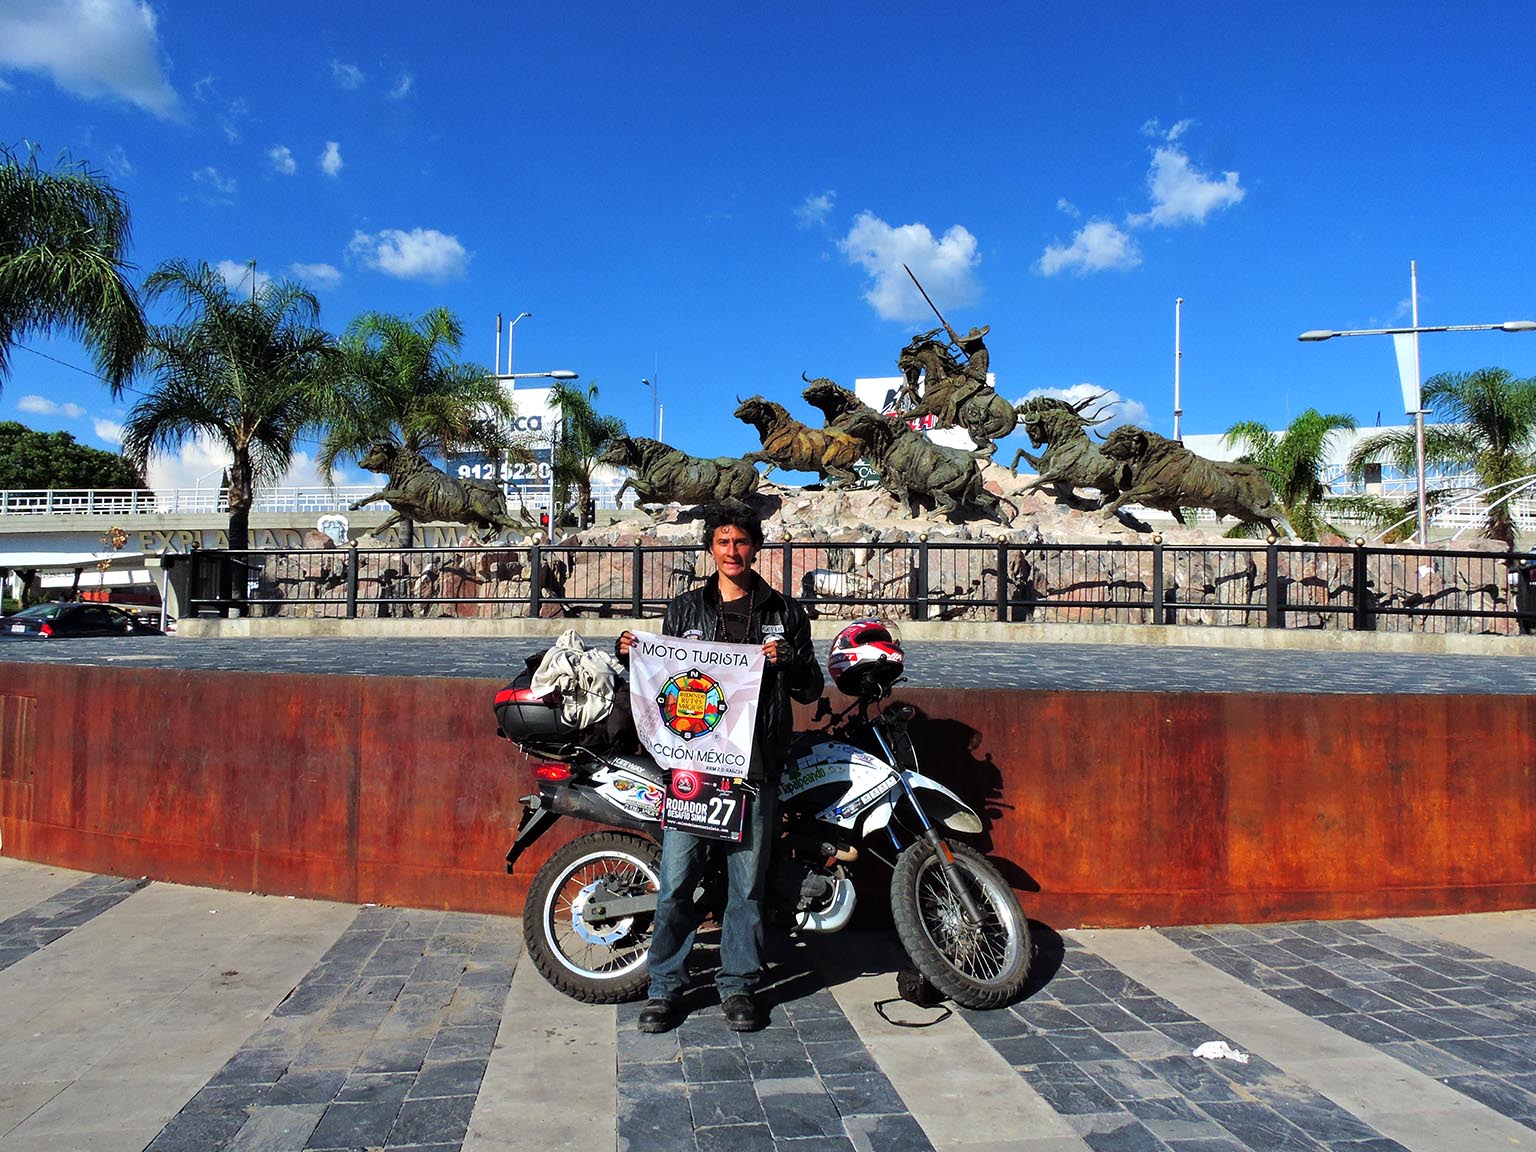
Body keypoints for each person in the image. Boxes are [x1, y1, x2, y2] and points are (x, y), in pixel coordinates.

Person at [616, 501, 822, 1032]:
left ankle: (738, 986)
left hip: (754, 768)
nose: (733, 551)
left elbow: (811, 687)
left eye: (743, 542)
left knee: (746, 886)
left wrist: (790, 661)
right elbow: (664, 676)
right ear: (711, 546)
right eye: (724, 541)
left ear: (757, 547)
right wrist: (629, 654)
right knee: (676, 881)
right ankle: (664, 986)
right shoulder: (685, 609)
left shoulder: (785, 611)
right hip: (692, 770)